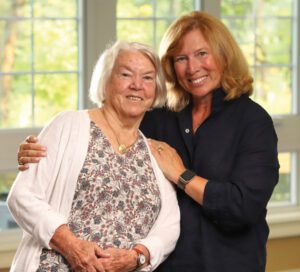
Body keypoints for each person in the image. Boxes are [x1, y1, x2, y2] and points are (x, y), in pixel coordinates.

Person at [16, 11, 279, 272]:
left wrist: (182, 176)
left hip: (228, 265)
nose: (192, 67)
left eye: (202, 53)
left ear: (224, 55)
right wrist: (40, 150)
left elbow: (243, 206)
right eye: (181, 58)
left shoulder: (253, 122)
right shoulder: (158, 119)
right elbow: (105, 126)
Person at [8, 40, 180, 272]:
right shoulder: (67, 125)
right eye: (126, 74)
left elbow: (169, 227)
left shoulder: (154, 152)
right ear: (106, 80)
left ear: (156, 89)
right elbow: (22, 196)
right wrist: (72, 246)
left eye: (148, 78)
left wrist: (137, 257)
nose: (137, 85)